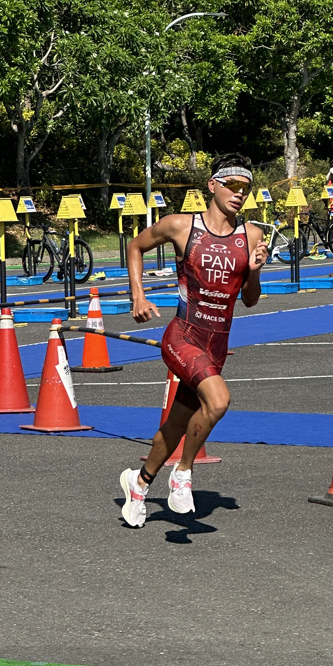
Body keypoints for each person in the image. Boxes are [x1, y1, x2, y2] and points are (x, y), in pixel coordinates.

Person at [120, 153, 267, 526]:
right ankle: (183, 473)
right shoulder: (180, 225)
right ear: (212, 185)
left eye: (245, 189)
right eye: (232, 185)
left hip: (216, 346)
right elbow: (135, 246)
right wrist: (138, 294)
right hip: (183, 335)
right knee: (219, 401)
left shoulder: (251, 235)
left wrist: (253, 271)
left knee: (173, 427)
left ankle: (138, 485)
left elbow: (250, 299)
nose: (238, 194)